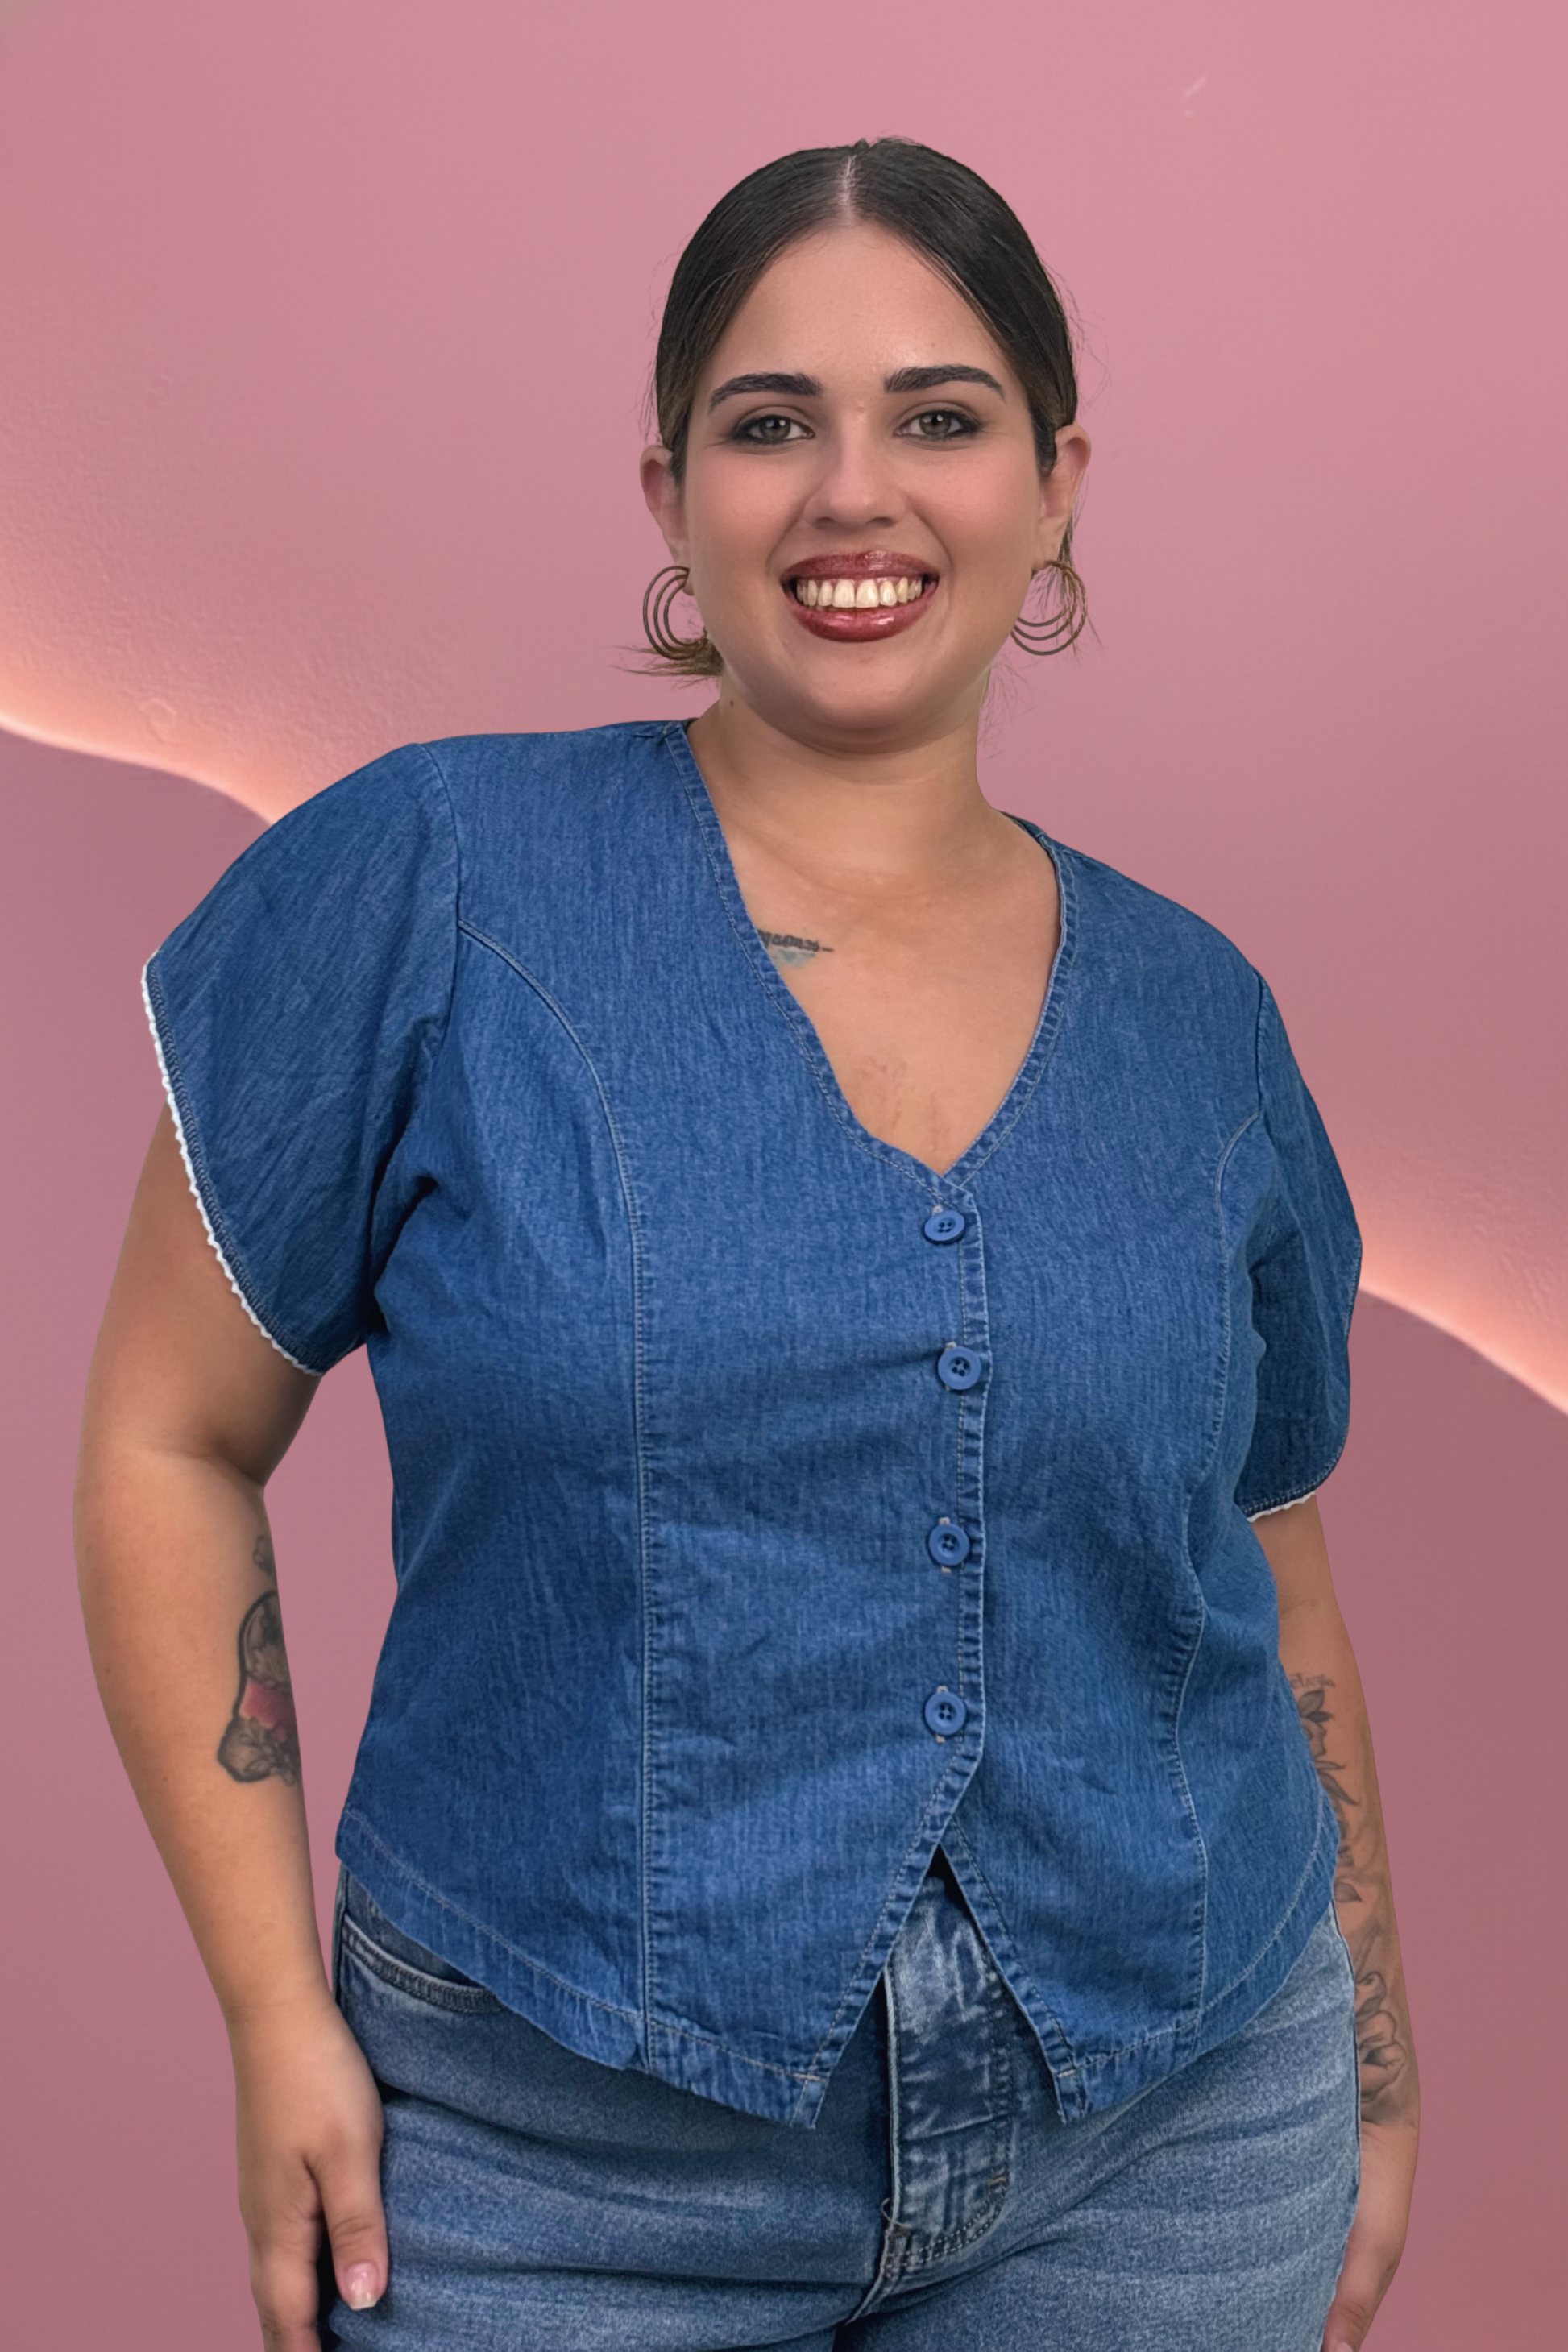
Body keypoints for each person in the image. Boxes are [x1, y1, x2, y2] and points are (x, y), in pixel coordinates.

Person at [75, 139, 1418, 2352]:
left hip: (1168, 2147)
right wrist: (265, 2008)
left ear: (1058, 485)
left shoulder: (1201, 1020)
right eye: (771, 421)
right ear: (671, 492)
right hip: (547, 2169)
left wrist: (1373, 2064)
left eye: (942, 415)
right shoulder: (434, 883)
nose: (852, 493)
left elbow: (1269, 1562)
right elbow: (167, 1439)